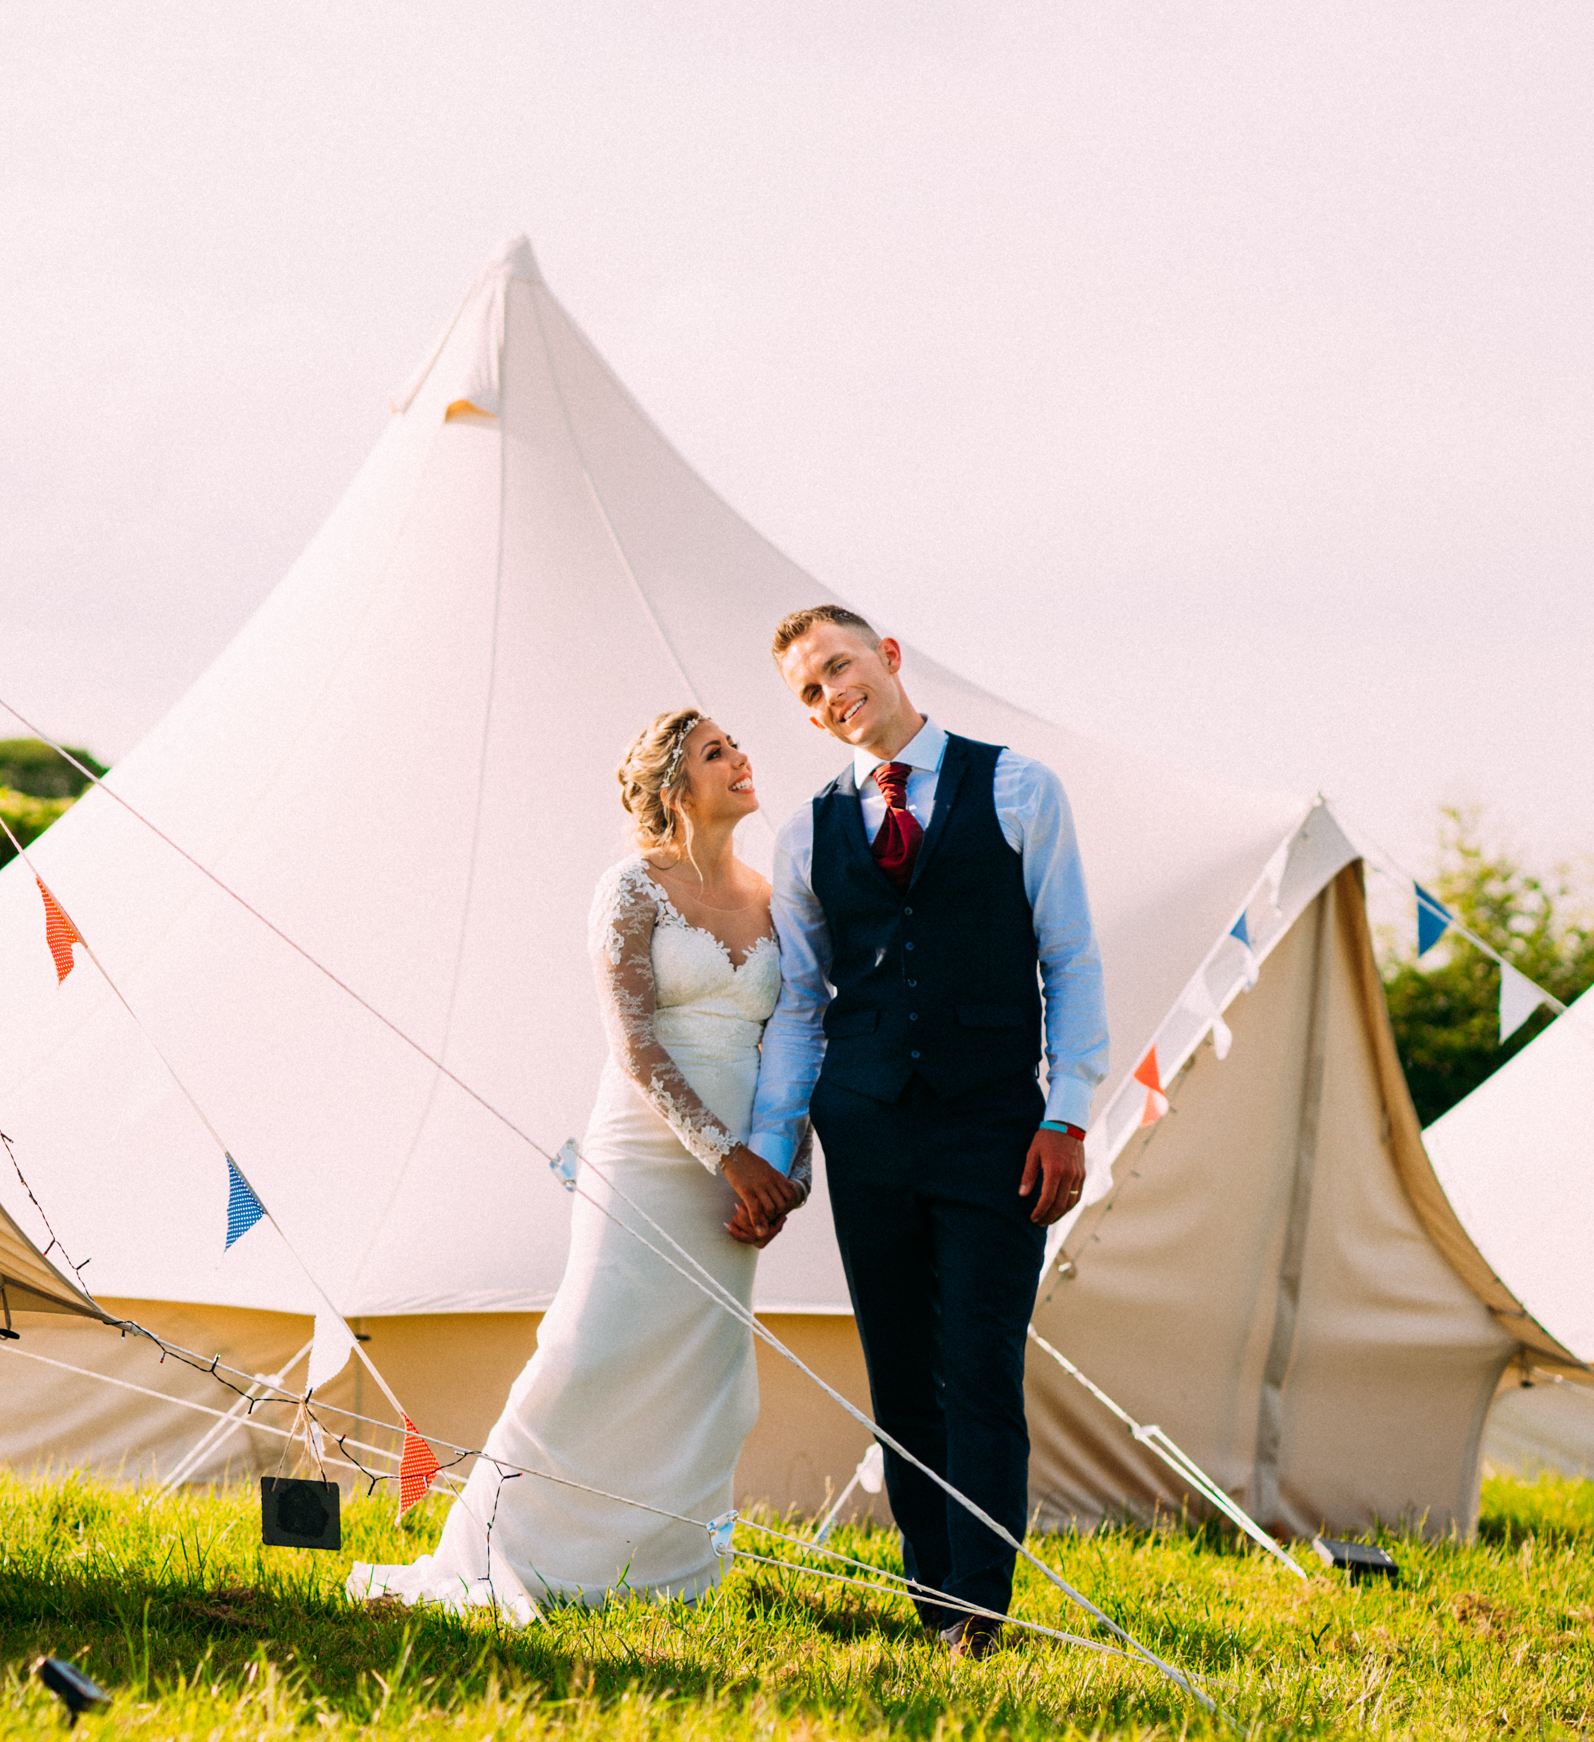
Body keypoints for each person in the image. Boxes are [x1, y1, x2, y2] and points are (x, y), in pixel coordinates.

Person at [349, 704, 794, 1616]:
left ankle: (670, 1568)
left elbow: (798, 1045)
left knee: (709, 1371)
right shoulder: (630, 887)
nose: (742, 757)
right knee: (590, 1347)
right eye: (718, 751)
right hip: (649, 1154)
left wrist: (783, 1175)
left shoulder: (775, 898)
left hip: (748, 1180)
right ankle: (505, 1543)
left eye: (738, 744)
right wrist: (726, 1155)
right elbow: (634, 1045)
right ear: (675, 787)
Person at [744, 604, 1108, 1654]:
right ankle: (934, 1600)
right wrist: (779, 1154)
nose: (829, 697)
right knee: (900, 1374)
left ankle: (979, 1616)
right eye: (807, 693)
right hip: (865, 1131)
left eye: (837, 668)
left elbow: (1069, 959)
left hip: (995, 1128)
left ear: (887, 657)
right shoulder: (806, 829)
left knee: (978, 1364)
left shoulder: (1018, 787)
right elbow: (803, 1003)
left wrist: (1066, 1113)